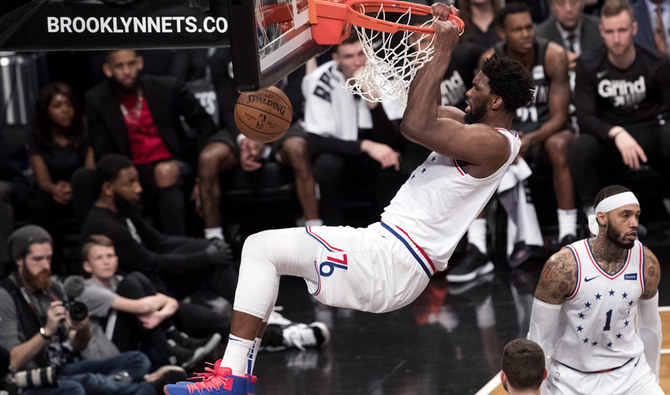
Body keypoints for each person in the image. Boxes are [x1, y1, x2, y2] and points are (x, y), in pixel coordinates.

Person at [163, 3, 535, 394]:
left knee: (259, 249)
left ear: (496, 103)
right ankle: (235, 374)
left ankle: (233, 379)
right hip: (388, 251)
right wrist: (429, 34)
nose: (469, 91)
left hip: (392, 260)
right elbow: (421, 108)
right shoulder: (471, 126)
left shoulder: (493, 144)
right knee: (264, 253)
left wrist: (442, 50)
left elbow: (414, 124)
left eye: (477, 88)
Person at [85, 49, 238, 238]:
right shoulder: (97, 100)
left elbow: (205, 125)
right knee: (85, 178)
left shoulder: (165, 88)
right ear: (108, 69)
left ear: (139, 63)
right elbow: (102, 150)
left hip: (173, 164)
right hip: (130, 170)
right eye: (119, 66)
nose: (126, 71)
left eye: (131, 64)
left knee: (164, 172)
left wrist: (202, 178)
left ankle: (179, 245)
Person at [528, 185, 662, 394]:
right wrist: (539, 389)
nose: (634, 223)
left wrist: (653, 380)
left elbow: (650, 328)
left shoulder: (647, 263)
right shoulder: (564, 266)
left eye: (636, 216)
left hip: (632, 377)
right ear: (602, 218)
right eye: (625, 215)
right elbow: (539, 336)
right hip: (570, 379)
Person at [0, 225, 159, 394]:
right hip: (33, 378)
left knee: (137, 360)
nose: (45, 266)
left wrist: (83, 328)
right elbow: (13, 362)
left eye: (49, 258)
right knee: (78, 387)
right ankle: (121, 386)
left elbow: (78, 346)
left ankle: (113, 386)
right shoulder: (7, 296)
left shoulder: (53, 288)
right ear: (19, 260)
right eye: (38, 259)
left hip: (63, 369)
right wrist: (46, 331)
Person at [301, 32, 426, 226]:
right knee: (327, 165)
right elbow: (316, 142)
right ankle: (333, 237)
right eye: (349, 56)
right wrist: (366, 146)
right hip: (341, 152)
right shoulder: (319, 80)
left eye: (361, 54)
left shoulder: (384, 73)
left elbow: (391, 139)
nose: (358, 62)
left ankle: (390, 232)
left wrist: (373, 98)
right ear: (336, 59)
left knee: (391, 159)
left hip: (376, 151)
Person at [481, 2, 578, 245]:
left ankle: (568, 231)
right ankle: (477, 243)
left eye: (529, 27)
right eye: (518, 30)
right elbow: (485, 114)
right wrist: (509, 141)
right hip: (506, 133)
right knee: (473, 151)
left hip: (545, 133)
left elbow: (560, 117)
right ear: (503, 33)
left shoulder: (553, 55)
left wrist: (529, 139)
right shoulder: (491, 60)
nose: (526, 34)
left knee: (559, 145)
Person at [80, 153, 237, 302]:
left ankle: (247, 312)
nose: (138, 188)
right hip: (144, 293)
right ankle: (248, 314)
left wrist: (210, 246)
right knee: (213, 263)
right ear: (107, 188)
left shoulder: (123, 209)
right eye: (130, 183)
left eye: (137, 181)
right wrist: (206, 256)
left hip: (154, 278)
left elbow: (160, 241)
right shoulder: (108, 226)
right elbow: (152, 263)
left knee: (213, 253)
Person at [569, 0, 670, 217]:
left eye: (622, 30)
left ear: (634, 29)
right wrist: (616, 132)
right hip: (610, 137)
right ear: (601, 31)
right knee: (581, 146)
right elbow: (584, 117)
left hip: (649, 132)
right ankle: (591, 216)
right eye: (610, 31)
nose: (616, 38)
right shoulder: (588, 64)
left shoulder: (657, 62)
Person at [208, 48, 323, 229]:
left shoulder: (291, 48)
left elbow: (293, 100)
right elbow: (227, 105)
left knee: (298, 148)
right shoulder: (222, 57)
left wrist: (262, 135)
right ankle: (213, 237)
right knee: (208, 158)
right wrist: (245, 137)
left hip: (283, 123)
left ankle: (315, 227)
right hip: (239, 127)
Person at [78, 234, 222, 371]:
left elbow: (172, 302)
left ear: (116, 260)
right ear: (87, 266)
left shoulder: (118, 282)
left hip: (130, 342)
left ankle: (177, 341)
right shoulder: (87, 290)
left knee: (137, 278)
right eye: (99, 258)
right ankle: (169, 351)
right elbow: (143, 306)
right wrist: (159, 306)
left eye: (109, 256)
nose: (106, 261)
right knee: (132, 281)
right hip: (107, 353)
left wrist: (159, 315)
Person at [28, 82, 94, 243]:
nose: (65, 110)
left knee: (87, 185)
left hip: (80, 188)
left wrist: (73, 188)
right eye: (57, 106)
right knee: (40, 201)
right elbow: (42, 179)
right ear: (46, 111)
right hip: (52, 190)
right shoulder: (36, 134)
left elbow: (89, 170)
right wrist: (55, 189)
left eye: (69, 104)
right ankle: (49, 259)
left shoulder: (85, 127)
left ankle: (92, 249)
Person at [536, 0, 605, 133]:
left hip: (597, 105)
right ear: (553, 7)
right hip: (556, 109)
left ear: (583, 3)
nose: (568, 9)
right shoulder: (539, 36)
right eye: (561, 4)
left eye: (574, 2)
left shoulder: (601, 29)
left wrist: (581, 62)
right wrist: (558, 63)